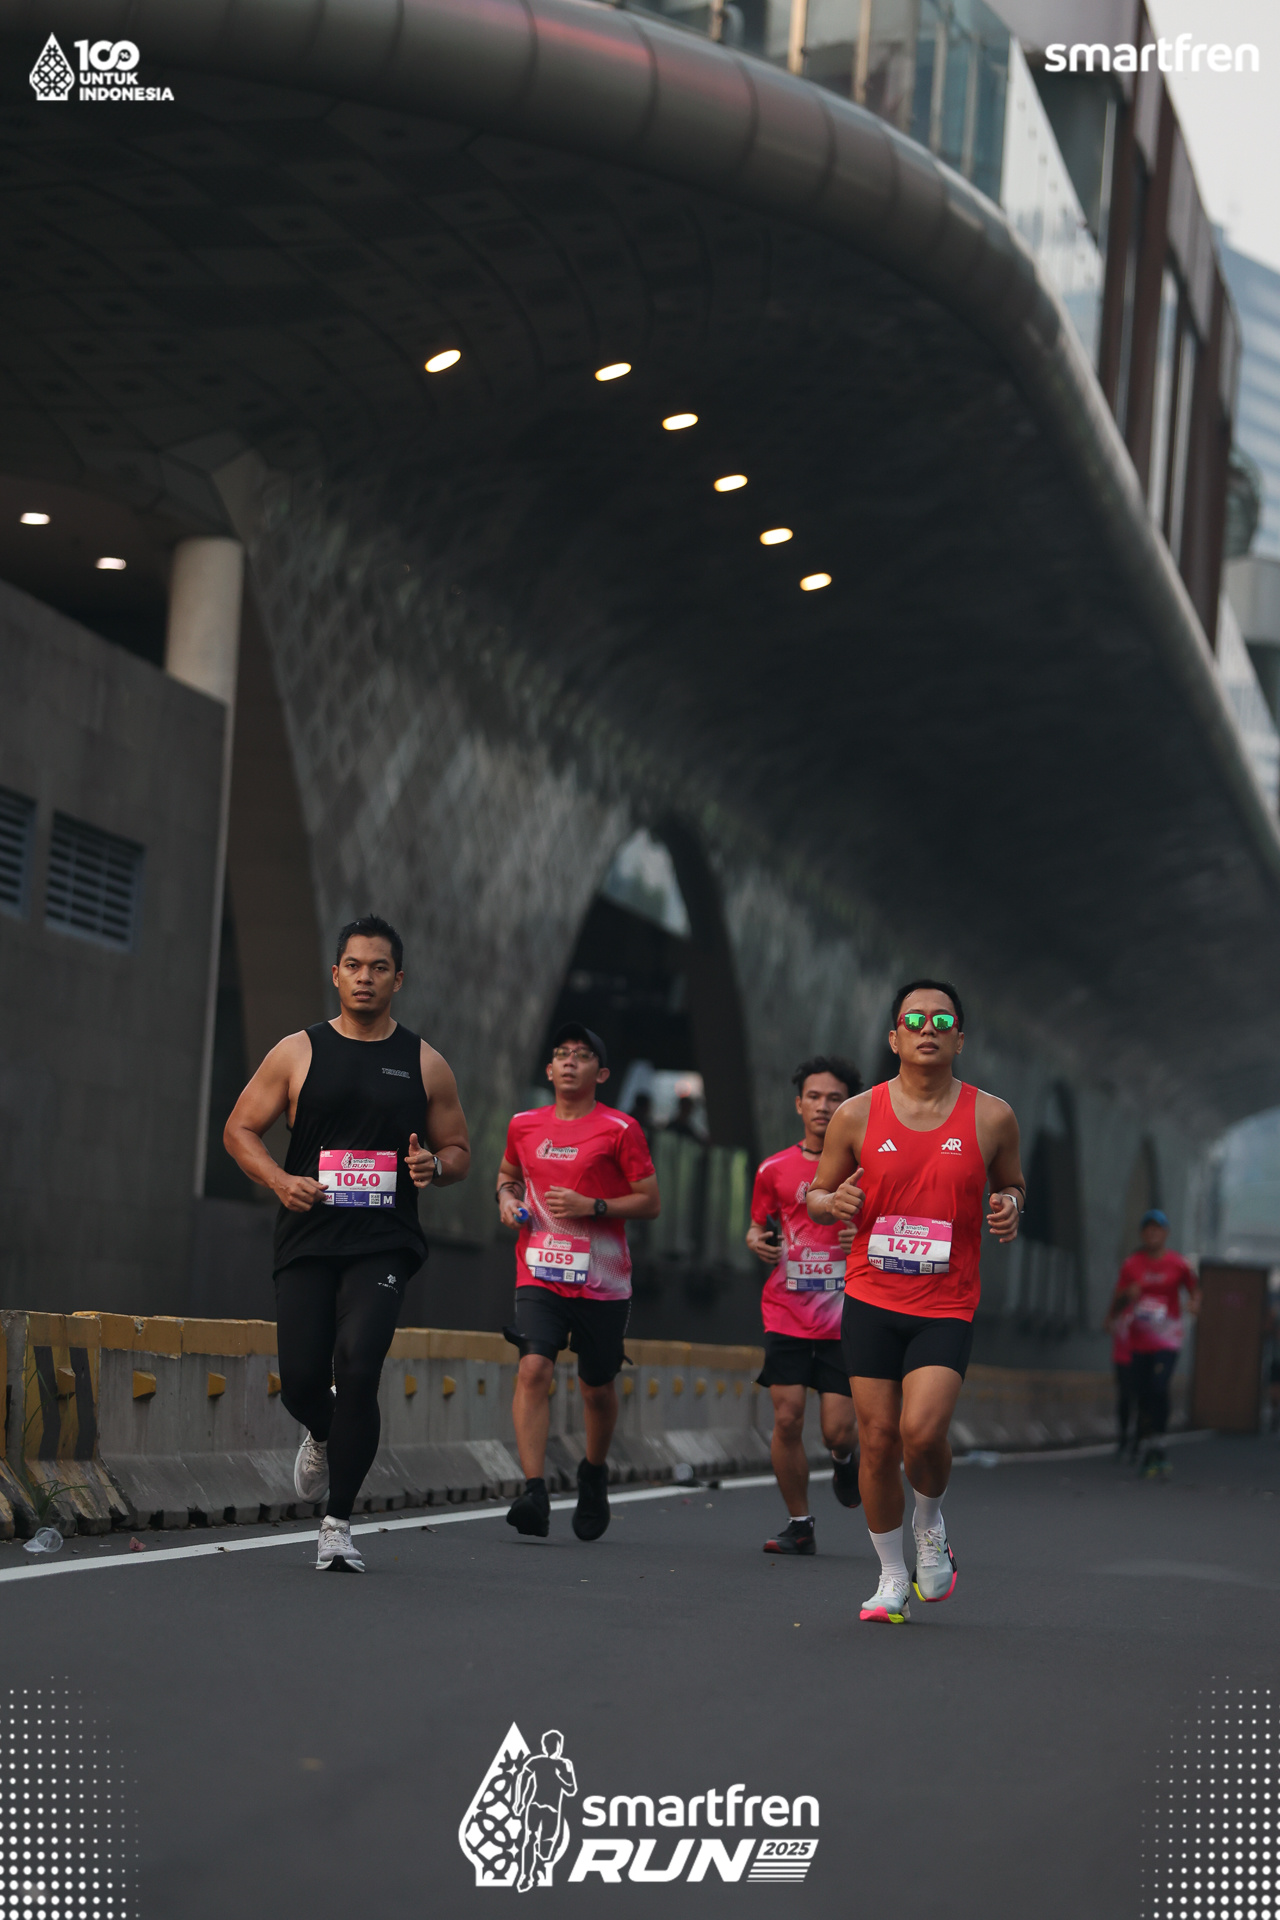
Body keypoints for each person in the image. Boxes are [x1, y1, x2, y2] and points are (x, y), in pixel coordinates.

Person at [223, 914, 470, 1571]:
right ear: (336, 974)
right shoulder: (296, 1052)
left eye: (378, 967)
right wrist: (280, 1180)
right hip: (308, 1235)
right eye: (354, 966)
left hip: (384, 1239)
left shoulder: (424, 1062)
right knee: (304, 1381)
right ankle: (322, 1430)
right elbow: (239, 1130)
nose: (365, 978)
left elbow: (458, 1150)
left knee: (359, 1366)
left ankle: (337, 1525)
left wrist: (435, 1166)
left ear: (398, 979)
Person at [807, 980, 1024, 1624]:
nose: (929, 1029)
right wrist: (833, 1202)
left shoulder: (992, 1117)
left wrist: (1010, 1205)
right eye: (915, 1020)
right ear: (894, 1037)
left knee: (921, 1433)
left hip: (946, 1301)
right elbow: (816, 1195)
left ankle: (930, 1523)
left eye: (943, 1021)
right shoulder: (856, 1115)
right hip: (872, 1294)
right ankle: (891, 1576)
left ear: (960, 1039)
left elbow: (1013, 1184)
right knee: (877, 1441)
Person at [496, 1024, 660, 1541]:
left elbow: (650, 1201)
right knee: (534, 1367)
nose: (570, 1062)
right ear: (549, 1069)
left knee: (597, 1388)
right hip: (539, 1270)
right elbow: (507, 1175)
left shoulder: (621, 1129)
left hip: (602, 1281)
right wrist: (507, 1200)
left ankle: (593, 1471)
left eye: (583, 1055)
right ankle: (534, 1490)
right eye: (562, 1054)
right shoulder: (523, 1124)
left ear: (601, 1073)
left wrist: (594, 1206)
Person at [747, 1055, 863, 1556]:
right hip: (786, 1310)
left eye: (834, 1098)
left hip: (845, 1315)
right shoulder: (773, 1169)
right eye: (814, 1097)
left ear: (850, 1106)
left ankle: (844, 1460)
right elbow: (758, 1225)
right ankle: (800, 1524)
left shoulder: (868, 1167)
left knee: (837, 1430)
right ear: (798, 1104)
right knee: (788, 1418)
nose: (823, 1106)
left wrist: (863, 1237)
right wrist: (756, 1240)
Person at [1111, 1208, 1199, 1478]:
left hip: (1167, 1338)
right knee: (1141, 1393)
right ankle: (1144, 1440)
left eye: (1157, 1229)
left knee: (1159, 1387)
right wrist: (1128, 1296)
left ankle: (1158, 1441)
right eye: (1148, 1229)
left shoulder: (1179, 1264)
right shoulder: (1132, 1264)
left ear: (1166, 1233)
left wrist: (1194, 1303)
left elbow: (1195, 1291)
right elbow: (1117, 1302)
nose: (1152, 1233)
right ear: (1142, 1234)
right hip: (1139, 1340)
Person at [515, 1730, 577, 1892]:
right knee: (530, 1839)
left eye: (555, 1745)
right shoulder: (536, 1761)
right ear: (544, 1746)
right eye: (549, 1745)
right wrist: (519, 1801)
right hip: (535, 1805)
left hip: (552, 1810)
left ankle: (538, 1864)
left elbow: (571, 1789)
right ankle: (526, 1876)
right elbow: (523, 1777)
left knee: (545, 1851)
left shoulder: (565, 1764)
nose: (552, 1748)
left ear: (559, 1746)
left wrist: (559, 1777)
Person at [1104, 1269, 1136, 1460]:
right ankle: (1123, 1437)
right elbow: (1107, 1326)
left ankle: (1139, 1438)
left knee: (1141, 1398)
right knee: (1124, 1398)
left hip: (1141, 1358)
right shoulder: (1119, 1308)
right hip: (1122, 1358)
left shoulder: (1145, 1306)